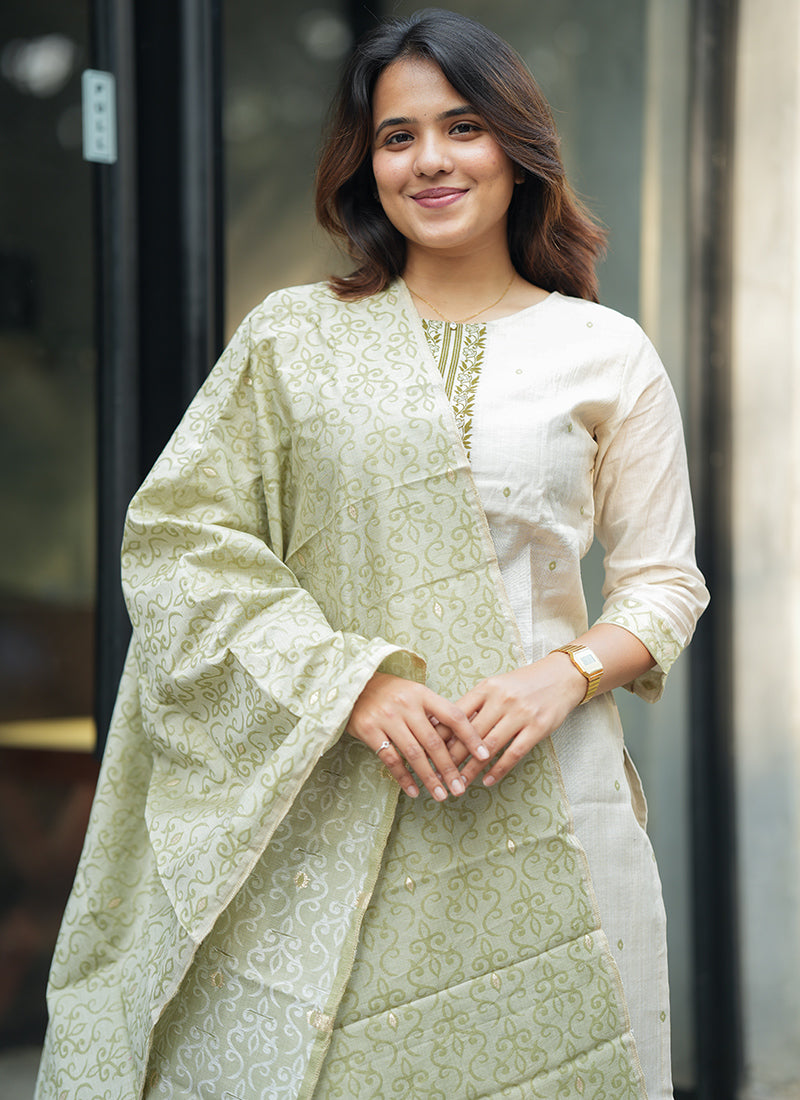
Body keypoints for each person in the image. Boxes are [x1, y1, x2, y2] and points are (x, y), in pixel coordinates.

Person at [36, 9, 708, 1100]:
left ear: (516, 149)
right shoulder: (293, 336)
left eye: (462, 127)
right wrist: (353, 684)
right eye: (398, 136)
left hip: (551, 797)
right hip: (336, 803)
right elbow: (180, 535)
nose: (430, 159)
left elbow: (664, 582)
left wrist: (564, 674)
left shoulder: (602, 349)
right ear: (367, 165)